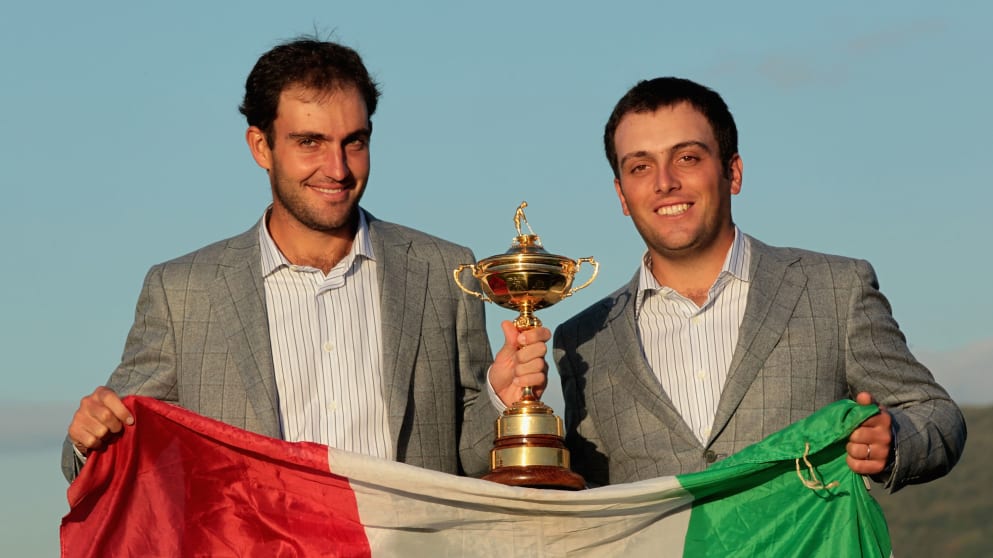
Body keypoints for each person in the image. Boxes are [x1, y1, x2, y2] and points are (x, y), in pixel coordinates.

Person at [62, 37, 549, 482]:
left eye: (354, 142)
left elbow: (474, 464)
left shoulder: (443, 272)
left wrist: (501, 400)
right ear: (261, 146)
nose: (336, 169)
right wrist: (88, 438)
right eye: (309, 142)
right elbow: (101, 449)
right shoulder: (183, 292)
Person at [553, 77, 966, 491]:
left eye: (687, 158)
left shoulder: (836, 290)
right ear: (622, 195)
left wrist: (893, 440)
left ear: (733, 172)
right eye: (640, 167)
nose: (664, 182)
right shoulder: (582, 341)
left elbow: (935, 413)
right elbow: (586, 498)